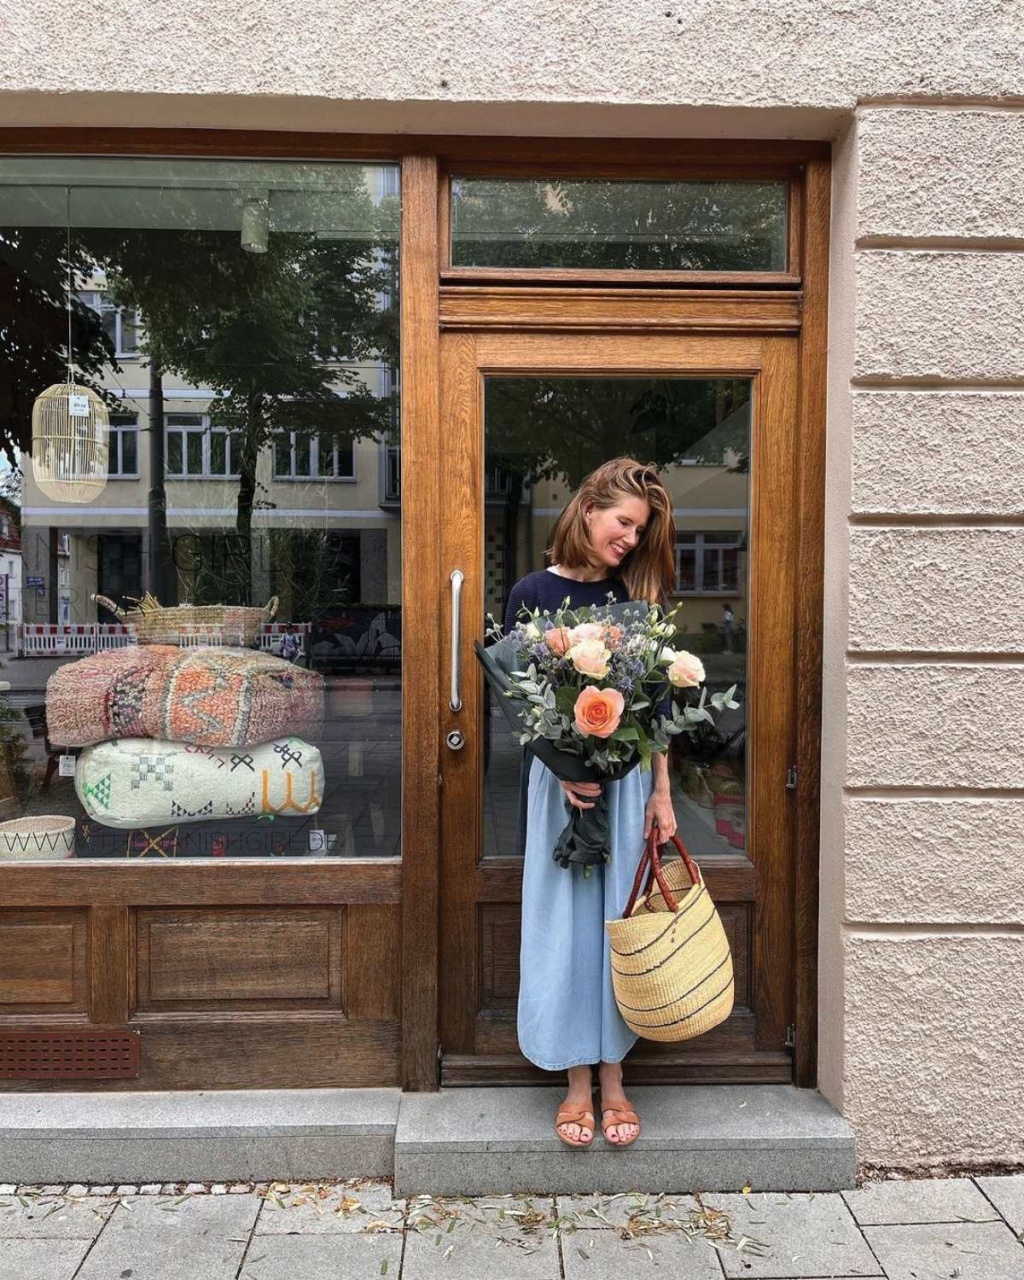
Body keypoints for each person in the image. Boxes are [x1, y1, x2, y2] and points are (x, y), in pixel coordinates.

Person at [503, 457, 678, 1150]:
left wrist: (662, 792)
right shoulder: (530, 592)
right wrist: (561, 767)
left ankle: (614, 1080)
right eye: (624, 523)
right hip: (561, 786)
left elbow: (659, 707)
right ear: (587, 510)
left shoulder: (634, 598)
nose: (631, 540)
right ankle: (575, 1083)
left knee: (616, 924)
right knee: (566, 926)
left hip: (628, 781)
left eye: (640, 531)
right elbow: (520, 699)